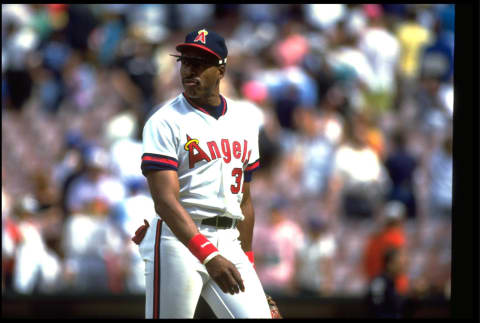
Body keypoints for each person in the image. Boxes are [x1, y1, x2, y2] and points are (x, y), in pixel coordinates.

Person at [131, 29, 272, 318]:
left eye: (200, 62)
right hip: (177, 240)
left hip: (229, 238)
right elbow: (165, 201)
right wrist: (207, 254)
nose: (190, 68)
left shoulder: (245, 120)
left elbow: (244, 201)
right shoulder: (165, 121)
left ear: (221, 69)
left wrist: (248, 265)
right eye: (186, 61)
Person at [366, 247, 408, 318]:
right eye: (399, 263)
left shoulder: (391, 283)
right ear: (389, 264)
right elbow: (376, 309)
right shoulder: (379, 282)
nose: (403, 266)